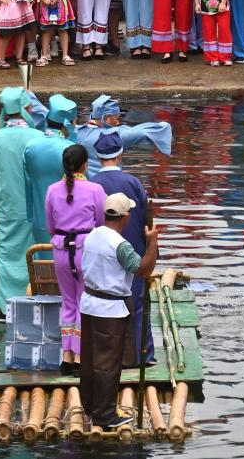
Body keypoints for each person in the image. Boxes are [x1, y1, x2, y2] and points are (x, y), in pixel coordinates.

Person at [78, 192, 159, 430]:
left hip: (90, 304)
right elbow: (143, 270)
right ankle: (105, 415)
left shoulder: (93, 234)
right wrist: (152, 242)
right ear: (125, 217)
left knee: (91, 359)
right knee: (107, 364)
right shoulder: (120, 245)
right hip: (109, 310)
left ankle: (91, 406)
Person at [91, 131, 155, 366]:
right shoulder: (133, 182)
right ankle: (142, 354)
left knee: (105, 301)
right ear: (120, 156)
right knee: (136, 302)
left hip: (102, 250)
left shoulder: (92, 184)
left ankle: (109, 354)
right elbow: (147, 217)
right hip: (133, 248)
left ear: (98, 158)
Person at [0, 86, 45, 319]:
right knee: (36, 252)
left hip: (8, 205)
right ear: (27, 108)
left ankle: (6, 303)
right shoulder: (39, 137)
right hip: (36, 207)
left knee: (7, 253)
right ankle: (37, 295)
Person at [45, 144, 106, 374]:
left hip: (61, 251)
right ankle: (80, 356)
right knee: (84, 302)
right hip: (86, 251)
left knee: (68, 302)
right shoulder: (95, 189)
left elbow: (50, 226)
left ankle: (66, 356)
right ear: (85, 165)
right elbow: (101, 224)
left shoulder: (52, 190)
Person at [24, 93, 79, 255]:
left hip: (39, 218)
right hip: (66, 220)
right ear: (68, 124)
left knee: (42, 265)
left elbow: (27, 184)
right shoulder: (68, 149)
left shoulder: (31, 146)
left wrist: (31, 216)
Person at [76, 94, 172, 176]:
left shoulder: (76, 132)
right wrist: (164, 126)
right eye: (116, 118)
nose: (118, 123)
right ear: (106, 119)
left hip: (86, 185)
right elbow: (142, 132)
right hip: (111, 184)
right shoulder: (115, 135)